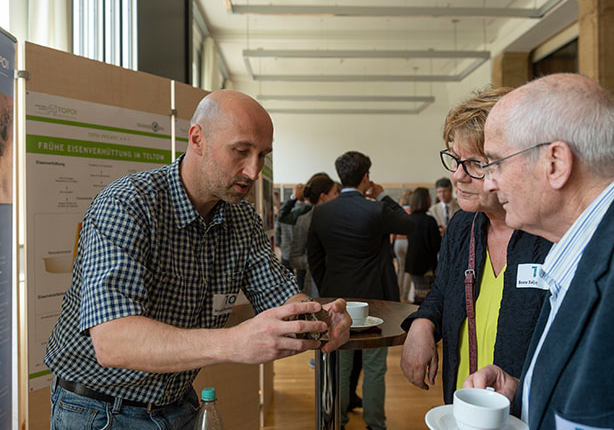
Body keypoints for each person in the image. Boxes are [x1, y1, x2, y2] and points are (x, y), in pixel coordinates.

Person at [44, 90, 351, 430]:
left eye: (262, 155)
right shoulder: (128, 204)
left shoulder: (242, 220)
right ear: (197, 139)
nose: (253, 171)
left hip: (178, 403)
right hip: (100, 411)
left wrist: (318, 316)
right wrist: (234, 342)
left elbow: (279, 293)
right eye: (240, 151)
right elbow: (113, 341)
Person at [465, 73, 614, 429]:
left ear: (555, 163)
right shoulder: (592, 242)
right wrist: (527, 392)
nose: (488, 182)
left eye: (495, 162)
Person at [400, 87, 552, 406]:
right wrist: (422, 323)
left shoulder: (550, 235)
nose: (457, 176)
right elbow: (444, 289)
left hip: (525, 409)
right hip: (464, 402)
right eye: (455, 160)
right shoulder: (463, 225)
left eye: (475, 164)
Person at [308, 150, 414, 430]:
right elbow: (408, 223)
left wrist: (328, 288)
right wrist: (381, 195)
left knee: (339, 363)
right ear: (366, 177)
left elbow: (314, 259)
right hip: (374, 299)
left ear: (340, 177)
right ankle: (376, 424)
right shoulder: (376, 208)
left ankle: (339, 420)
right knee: (376, 366)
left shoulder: (321, 212)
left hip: (335, 299)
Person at [289, 173, 339, 298]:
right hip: (315, 285)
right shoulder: (304, 221)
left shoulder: (341, 218)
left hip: (341, 281)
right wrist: (315, 260)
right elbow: (294, 258)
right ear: (323, 196)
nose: (338, 197)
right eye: (335, 193)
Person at [404, 187, 441, 304]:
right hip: (427, 265)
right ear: (425, 200)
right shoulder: (429, 221)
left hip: (413, 263)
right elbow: (436, 246)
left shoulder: (409, 219)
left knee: (418, 294)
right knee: (426, 298)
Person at [393, 190, 412, 301]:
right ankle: (405, 294)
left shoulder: (399, 212)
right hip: (407, 242)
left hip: (397, 243)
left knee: (400, 268)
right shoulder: (411, 212)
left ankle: (398, 291)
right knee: (408, 269)